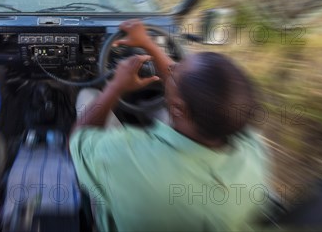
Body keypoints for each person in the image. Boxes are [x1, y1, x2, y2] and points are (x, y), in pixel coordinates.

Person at [69, 19, 270, 232]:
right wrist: (148, 44)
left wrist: (115, 87)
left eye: (174, 71)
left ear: (179, 109)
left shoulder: (125, 157)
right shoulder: (254, 150)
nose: (171, 68)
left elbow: (78, 141)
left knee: (88, 95)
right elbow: (182, 88)